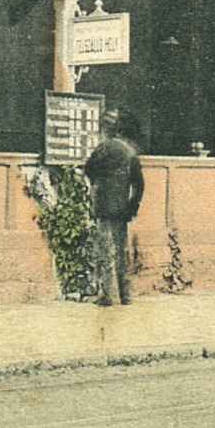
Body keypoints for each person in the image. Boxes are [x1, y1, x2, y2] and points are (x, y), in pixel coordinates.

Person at [83, 108, 144, 307]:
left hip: (104, 205)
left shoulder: (104, 148)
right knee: (120, 251)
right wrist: (132, 206)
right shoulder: (131, 150)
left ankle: (108, 295)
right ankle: (125, 294)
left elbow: (89, 169)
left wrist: (99, 182)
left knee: (105, 251)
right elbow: (139, 184)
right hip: (123, 208)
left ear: (107, 129)